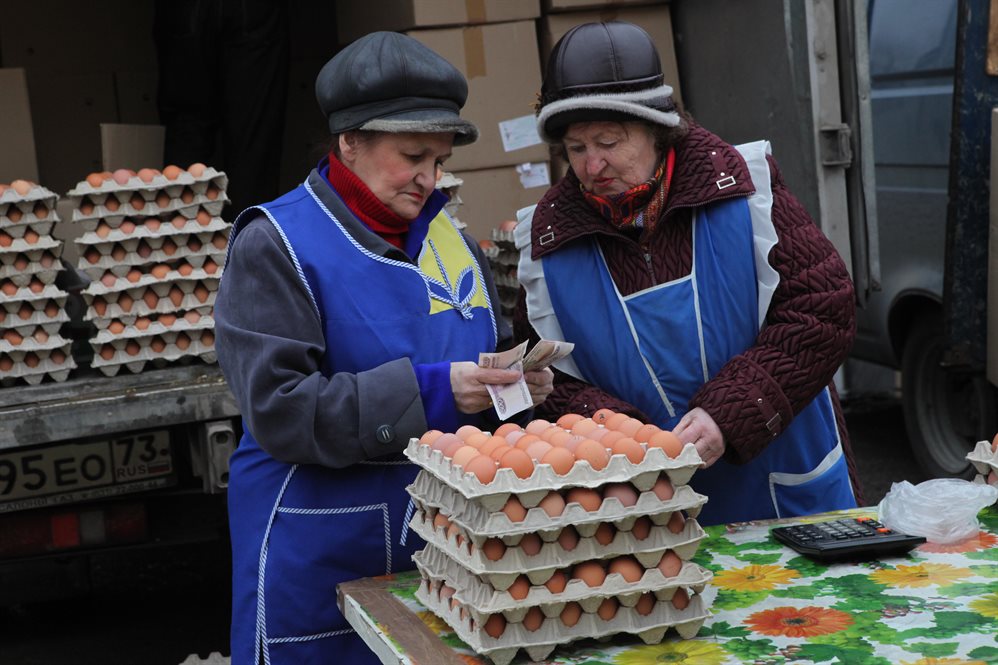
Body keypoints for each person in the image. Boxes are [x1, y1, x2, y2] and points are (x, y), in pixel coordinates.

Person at [214, 32, 553, 664]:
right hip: (321, 555)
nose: (431, 178)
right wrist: (434, 390)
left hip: (448, 551)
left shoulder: (455, 243)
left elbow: (487, 365)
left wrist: (516, 392)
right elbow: (281, 409)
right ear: (349, 141)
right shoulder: (276, 244)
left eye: (439, 159)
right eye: (413, 155)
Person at [514, 21, 862, 526]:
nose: (592, 165)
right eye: (575, 148)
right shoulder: (547, 240)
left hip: (786, 486)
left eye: (609, 141)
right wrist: (620, 435)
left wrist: (732, 412)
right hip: (650, 515)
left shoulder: (745, 190)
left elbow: (822, 308)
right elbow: (544, 379)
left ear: (658, 128)